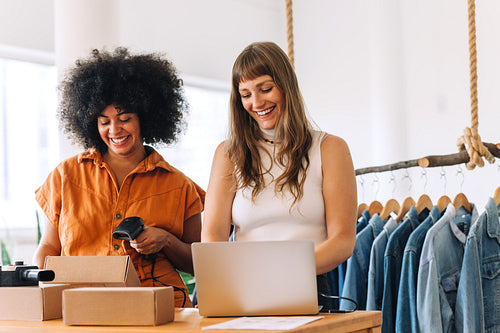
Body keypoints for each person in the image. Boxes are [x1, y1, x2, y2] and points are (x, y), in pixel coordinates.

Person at [33, 47, 205, 308]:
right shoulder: (65, 176)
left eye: (124, 118)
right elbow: (48, 247)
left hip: (159, 307)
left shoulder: (179, 185)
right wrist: (48, 294)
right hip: (81, 305)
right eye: (104, 122)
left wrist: (166, 241)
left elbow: (200, 265)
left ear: (145, 119)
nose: (114, 130)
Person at [201, 41, 357, 311]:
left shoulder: (330, 149)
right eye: (246, 94)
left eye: (265, 89)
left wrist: (283, 272)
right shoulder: (228, 154)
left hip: (309, 287)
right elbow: (212, 236)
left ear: (286, 86)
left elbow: (342, 240)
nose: (257, 103)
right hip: (242, 288)